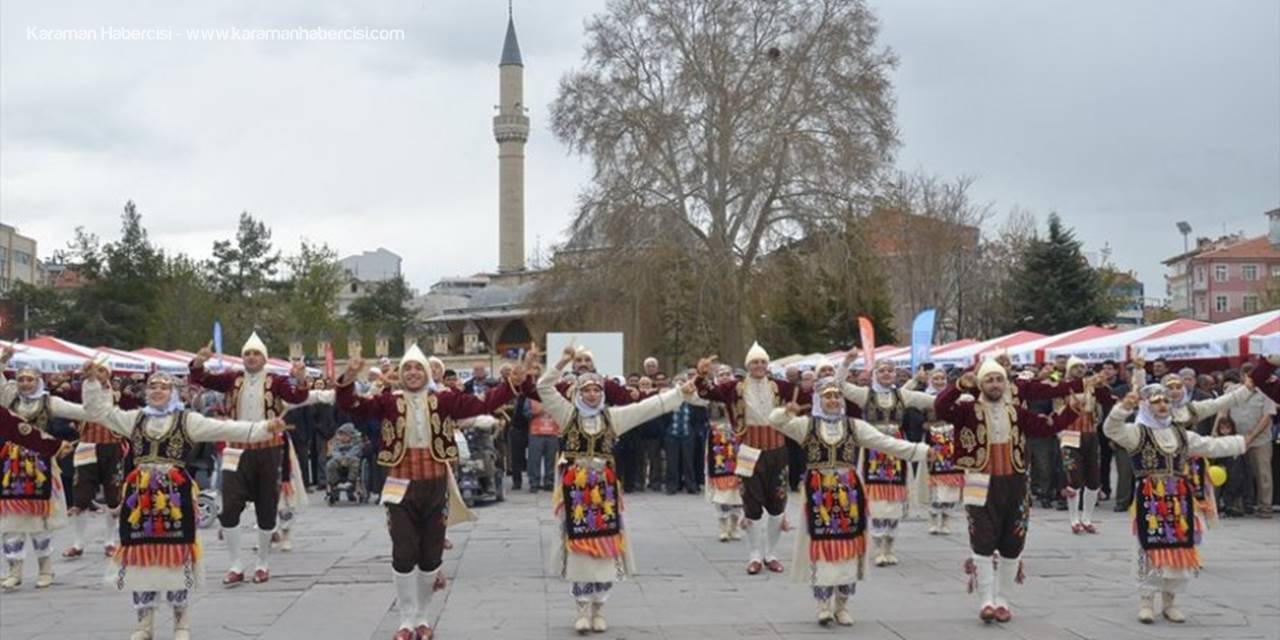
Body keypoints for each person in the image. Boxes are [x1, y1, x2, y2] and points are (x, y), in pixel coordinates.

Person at [80, 364, 289, 640]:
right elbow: (98, 413)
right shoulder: (134, 419)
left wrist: (263, 428)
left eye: (164, 387)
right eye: (153, 386)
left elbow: (225, 428)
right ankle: (144, 623)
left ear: (174, 393)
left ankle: (181, 622)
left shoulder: (187, 420)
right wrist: (92, 382)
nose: (157, 391)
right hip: (140, 497)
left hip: (174, 495)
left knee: (176, 558)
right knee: (140, 557)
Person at [336, 344, 520, 640]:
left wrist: (512, 384)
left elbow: (482, 404)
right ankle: (405, 620)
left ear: (427, 373)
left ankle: (422, 617)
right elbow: (353, 406)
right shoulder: (388, 401)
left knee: (431, 554)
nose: (412, 373)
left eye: (418, 368)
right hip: (400, 483)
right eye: (407, 368)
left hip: (435, 484)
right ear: (400, 374)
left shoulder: (444, 400)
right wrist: (347, 377)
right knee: (403, 551)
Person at [535, 344, 692, 633]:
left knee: (605, 548)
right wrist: (562, 362)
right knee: (579, 550)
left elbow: (646, 408)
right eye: (586, 390)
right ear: (578, 393)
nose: (592, 394)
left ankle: (599, 608)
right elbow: (544, 387)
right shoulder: (567, 415)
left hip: (605, 493)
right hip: (576, 493)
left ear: (603, 393)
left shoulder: (612, 418)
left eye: (596, 390)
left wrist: (680, 392)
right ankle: (582, 608)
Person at [767, 378, 933, 626]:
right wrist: (785, 411)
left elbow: (886, 443)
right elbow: (775, 422)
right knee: (821, 548)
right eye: (828, 396)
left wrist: (921, 451)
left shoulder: (855, 426)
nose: (833, 400)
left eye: (837, 396)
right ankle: (823, 604)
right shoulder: (805, 425)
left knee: (849, 548)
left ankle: (842, 605)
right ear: (819, 400)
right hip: (819, 494)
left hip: (849, 492)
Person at [934, 358, 1070, 624]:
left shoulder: (1016, 411)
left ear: (1006, 384)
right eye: (989, 380)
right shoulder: (966, 409)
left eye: (999, 380)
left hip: (1015, 481)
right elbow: (940, 408)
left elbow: (1047, 427)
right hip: (978, 479)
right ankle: (986, 600)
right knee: (982, 537)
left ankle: (1003, 601)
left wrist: (1073, 410)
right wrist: (958, 385)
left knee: (1013, 540)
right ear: (980, 384)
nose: (995, 385)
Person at [1103, 382, 1250, 624]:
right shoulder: (1136, 433)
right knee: (1148, 547)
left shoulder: (1182, 434)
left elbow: (1210, 446)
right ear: (1146, 406)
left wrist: (1242, 442)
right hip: (1151, 498)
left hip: (1180, 499)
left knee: (1179, 547)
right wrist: (1122, 408)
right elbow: (1111, 429)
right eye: (1156, 402)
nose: (1162, 405)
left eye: (1165, 401)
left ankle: (1170, 602)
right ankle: (1146, 601)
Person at [188, 333, 325, 585]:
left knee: (267, 506)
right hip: (236, 450)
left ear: (264, 358)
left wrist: (300, 378)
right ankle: (235, 565)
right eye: (247, 354)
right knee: (229, 507)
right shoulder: (232, 379)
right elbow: (202, 378)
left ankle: (262, 563)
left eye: (256, 354)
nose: (251, 358)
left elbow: (296, 397)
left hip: (267, 449)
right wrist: (199, 362)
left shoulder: (276, 381)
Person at [833, 353, 947, 566]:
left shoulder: (903, 395)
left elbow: (935, 400)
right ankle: (878, 548)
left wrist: (962, 396)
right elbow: (839, 385)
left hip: (896, 450)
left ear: (895, 374)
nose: (886, 374)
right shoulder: (865, 395)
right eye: (882, 371)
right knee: (876, 501)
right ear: (875, 374)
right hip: (873, 450)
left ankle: (889, 547)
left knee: (894, 500)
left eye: (890, 371)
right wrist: (846, 363)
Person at [695, 342, 795, 575]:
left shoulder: (781, 386)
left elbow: (808, 398)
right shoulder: (734, 387)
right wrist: (702, 375)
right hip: (748, 450)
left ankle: (771, 554)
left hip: (777, 451)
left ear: (767, 365)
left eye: (762, 362)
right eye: (754, 362)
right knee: (751, 502)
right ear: (748, 366)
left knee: (778, 503)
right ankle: (755, 555)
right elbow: (706, 392)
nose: (759, 366)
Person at [0, 351, 89, 591]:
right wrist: (2, 361)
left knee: (41, 522)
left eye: (30, 379)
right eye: (21, 379)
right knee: (10, 522)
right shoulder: (9, 399)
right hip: (11, 466)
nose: (25, 384)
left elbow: (81, 411)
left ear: (39, 381)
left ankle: (46, 569)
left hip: (41, 466)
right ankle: (14, 571)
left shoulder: (50, 403)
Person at [695, 364, 744, 542]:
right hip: (717, 442)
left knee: (739, 484)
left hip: (738, 440)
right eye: (720, 374)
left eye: (727, 374)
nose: (724, 377)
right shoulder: (709, 396)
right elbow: (695, 396)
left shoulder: (740, 393)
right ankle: (723, 525)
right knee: (720, 485)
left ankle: (735, 524)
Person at [526, 397, 560, 493]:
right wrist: (536, 412)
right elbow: (525, 414)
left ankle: (549, 482)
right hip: (536, 433)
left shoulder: (555, 397)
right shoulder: (530, 399)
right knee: (534, 460)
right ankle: (534, 483)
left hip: (553, 433)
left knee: (551, 460)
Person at [326, 424, 365, 502]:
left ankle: (350, 481)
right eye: (341, 435)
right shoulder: (335, 441)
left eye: (346, 435)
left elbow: (356, 450)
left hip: (351, 458)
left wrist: (346, 458)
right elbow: (334, 451)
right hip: (338, 459)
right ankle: (336, 483)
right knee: (330, 464)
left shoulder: (357, 442)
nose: (343, 437)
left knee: (356, 463)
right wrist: (340, 459)